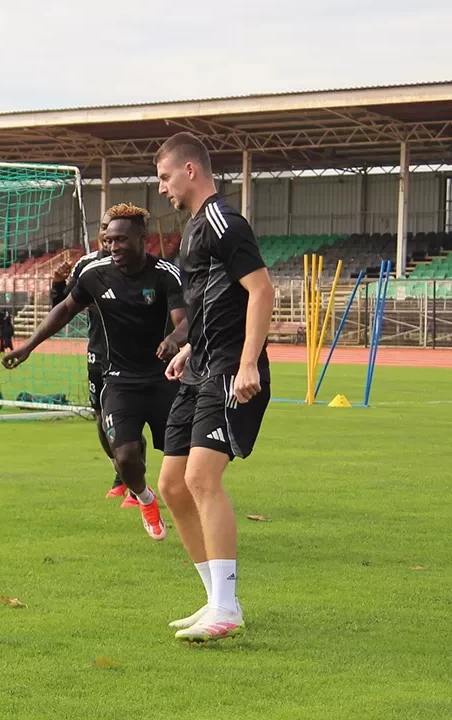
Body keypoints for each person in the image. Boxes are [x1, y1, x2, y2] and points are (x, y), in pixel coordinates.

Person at [4, 203, 187, 542]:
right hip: (119, 380)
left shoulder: (166, 274)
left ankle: (194, 508)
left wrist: (175, 340)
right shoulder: (94, 273)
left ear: (142, 238)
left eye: (121, 240)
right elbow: (64, 309)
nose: (113, 246)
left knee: (184, 458)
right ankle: (145, 498)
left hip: (165, 378)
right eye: (108, 240)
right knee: (125, 456)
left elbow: (185, 320)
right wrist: (27, 346)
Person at [153, 132, 273, 642]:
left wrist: (248, 365)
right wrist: (187, 350)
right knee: (171, 484)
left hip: (228, 370)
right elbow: (210, 305)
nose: (162, 188)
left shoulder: (224, 221)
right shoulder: (195, 229)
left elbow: (261, 291)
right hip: (200, 366)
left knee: (202, 478)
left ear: (191, 171)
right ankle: (215, 601)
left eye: (165, 177)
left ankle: (227, 608)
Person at [49, 212, 145, 502]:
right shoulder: (87, 265)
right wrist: (57, 283)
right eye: (103, 228)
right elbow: (63, 307)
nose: (106, 235)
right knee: (103, 420)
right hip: (99, 353)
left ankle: (138, 486)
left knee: (130, 420)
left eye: (112, 230)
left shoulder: (141, 265)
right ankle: (121, 473)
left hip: (135, 356)